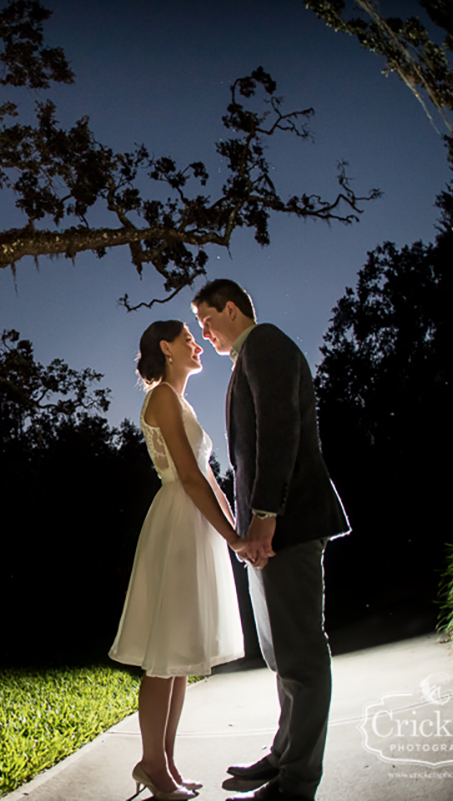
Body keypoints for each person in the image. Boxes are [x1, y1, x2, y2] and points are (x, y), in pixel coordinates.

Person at [191, 279, 350, 801]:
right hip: (266, 532)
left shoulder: (267, 344)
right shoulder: (247, 359)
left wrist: (264, 514)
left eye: (206, 319)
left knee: (301, 657)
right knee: (280, 653)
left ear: (231, 309)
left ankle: (298, 782)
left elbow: (280, 430)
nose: (202, 331)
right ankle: (284, 754)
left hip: (289, 524)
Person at [109, 319, 247, 801]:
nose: (198, 345)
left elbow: (208, 477)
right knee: (163, 656)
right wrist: (231, 536)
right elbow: (187, 476)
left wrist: (235, 528)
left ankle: (164, 763)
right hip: (177, 523)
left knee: (181, 654)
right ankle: (151, 763)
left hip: (197, 523)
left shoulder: (181, 400)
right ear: (166, 348)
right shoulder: (163, 396)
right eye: (190, 339)